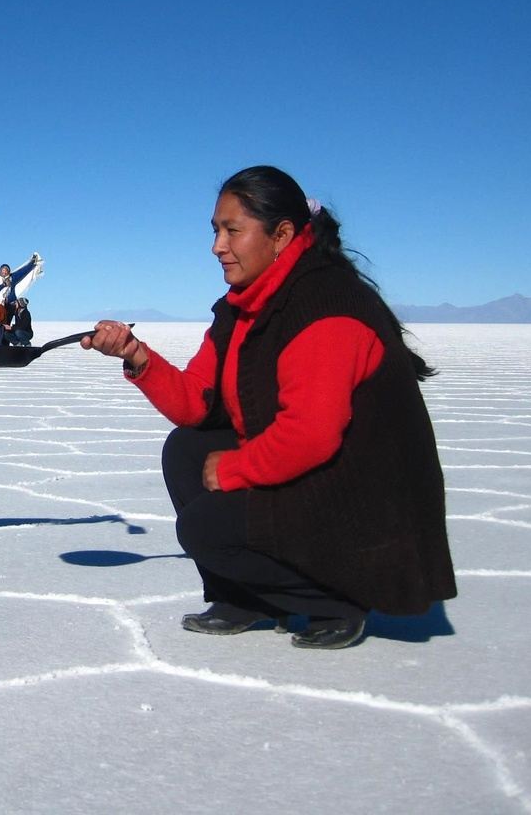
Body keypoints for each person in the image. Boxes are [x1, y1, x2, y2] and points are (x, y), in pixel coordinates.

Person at [83, 165, 455, 650]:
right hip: (317, 473)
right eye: (216, 230)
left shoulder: (326, 306)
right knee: (188, 449)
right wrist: (137, 356)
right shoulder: (244, 306)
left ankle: (338, 599)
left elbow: (312, 434)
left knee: (205, 528)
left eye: (232, 230)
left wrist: (237, 469)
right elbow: (198, 403)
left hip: (363, 499)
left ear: (281, 235)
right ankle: (244, 598)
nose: (217, 245)